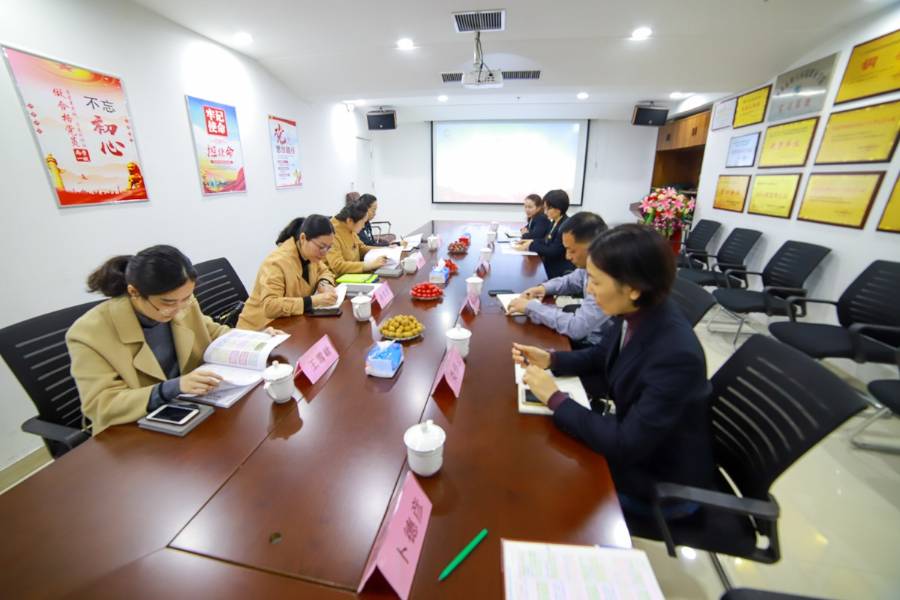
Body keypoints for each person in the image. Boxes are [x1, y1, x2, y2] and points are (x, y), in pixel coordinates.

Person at [511, 224, 714, 519]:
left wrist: (554, 398)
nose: (589, 290)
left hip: (661, 483)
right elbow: (601, 356)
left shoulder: (675, 355)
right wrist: (552, 360)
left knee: (536, 478)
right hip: (637, 440)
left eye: (595, 281)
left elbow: (624, 443)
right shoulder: (636, 312)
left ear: (633, 288)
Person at [67, 246, 233, 434]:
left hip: (192, 408)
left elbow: (213, 332)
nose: (179, 309)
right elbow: (100, 405)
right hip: (134, 428)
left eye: (186, 298)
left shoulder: (181, 302)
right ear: (134, 292)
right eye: (168, 303)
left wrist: (252, 341)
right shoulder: (89, 333)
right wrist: (173, 387)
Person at [506, 211, 610, 347]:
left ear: (593, 246)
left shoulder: (607, 278)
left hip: (594, 346)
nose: (567, 256)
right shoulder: (591, 265)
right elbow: (571, 281)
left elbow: (576, 328)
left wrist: (531, 307)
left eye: (572, 250)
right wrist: (543, 288)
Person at [237, 215, 338, 331]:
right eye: (321, 247)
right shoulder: (276, 262)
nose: (324, 254)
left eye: (329, 248)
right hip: (259, 329)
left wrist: (324, 283)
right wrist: (313, 301)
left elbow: (325, 271)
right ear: (303, 238)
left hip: (288, 323)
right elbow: (270, 306)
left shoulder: (311, 255)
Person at [513, 189, 575, 279]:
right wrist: (530, 241)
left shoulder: (565, 226)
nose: (545, 212)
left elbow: (553, 251)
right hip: (550, 265)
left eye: (547, 209)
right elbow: (546, 240)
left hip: (558, 271)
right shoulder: (555, 222)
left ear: (557, 209)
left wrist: (530, 246)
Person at [326, 201, 389, 275]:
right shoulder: (331, 233)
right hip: (339, 278)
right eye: (362, 222)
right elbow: (337, 266)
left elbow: (361, 248)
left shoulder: (349, 227)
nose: (363, 226)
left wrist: (385, 250)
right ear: (350, 221)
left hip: (355, 274)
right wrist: (370, 265)